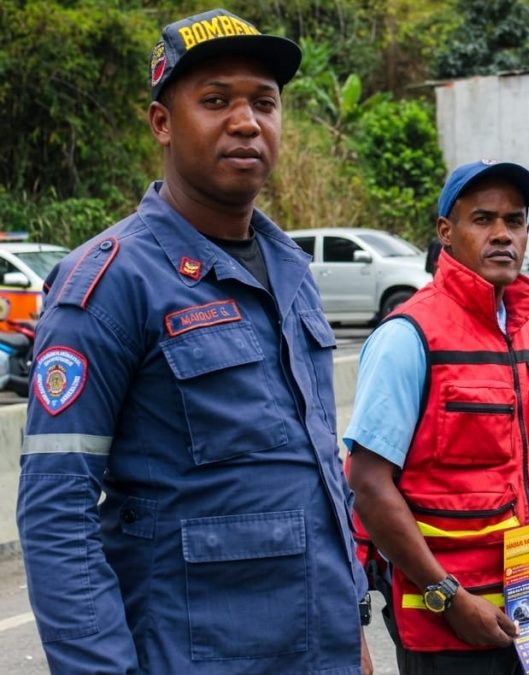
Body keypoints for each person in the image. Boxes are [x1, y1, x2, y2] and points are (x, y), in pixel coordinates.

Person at [16, 10, 366, 672]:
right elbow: (56, 514)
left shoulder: (290, 267)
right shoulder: (111, 282)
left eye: (264, 102)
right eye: (215, 101)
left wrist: (349, 628)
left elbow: (318, 475)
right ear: (162, 124)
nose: (245, 121)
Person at [346, 160, 529, 675]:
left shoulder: (528, 329)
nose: (503, 234)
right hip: (450, 628)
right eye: (483, 219)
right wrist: (448, 597)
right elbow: (368, 485)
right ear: (446, 233)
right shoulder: (407, 335)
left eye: (515, 221)